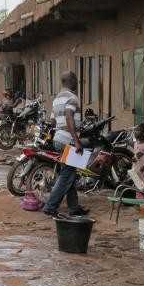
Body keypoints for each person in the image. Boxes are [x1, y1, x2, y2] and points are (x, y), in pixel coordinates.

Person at [42, 71, 89, 216]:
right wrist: (77, 140)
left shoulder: (57, 99)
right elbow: (69, 117)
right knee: (66, 176)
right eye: (76, 79)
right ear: (73, 80)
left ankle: (74, 208)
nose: (78, 82)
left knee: (69, 174)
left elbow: (52, 121)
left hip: (58, 139)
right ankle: (50, 207)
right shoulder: (72, 97)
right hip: (68, 140)